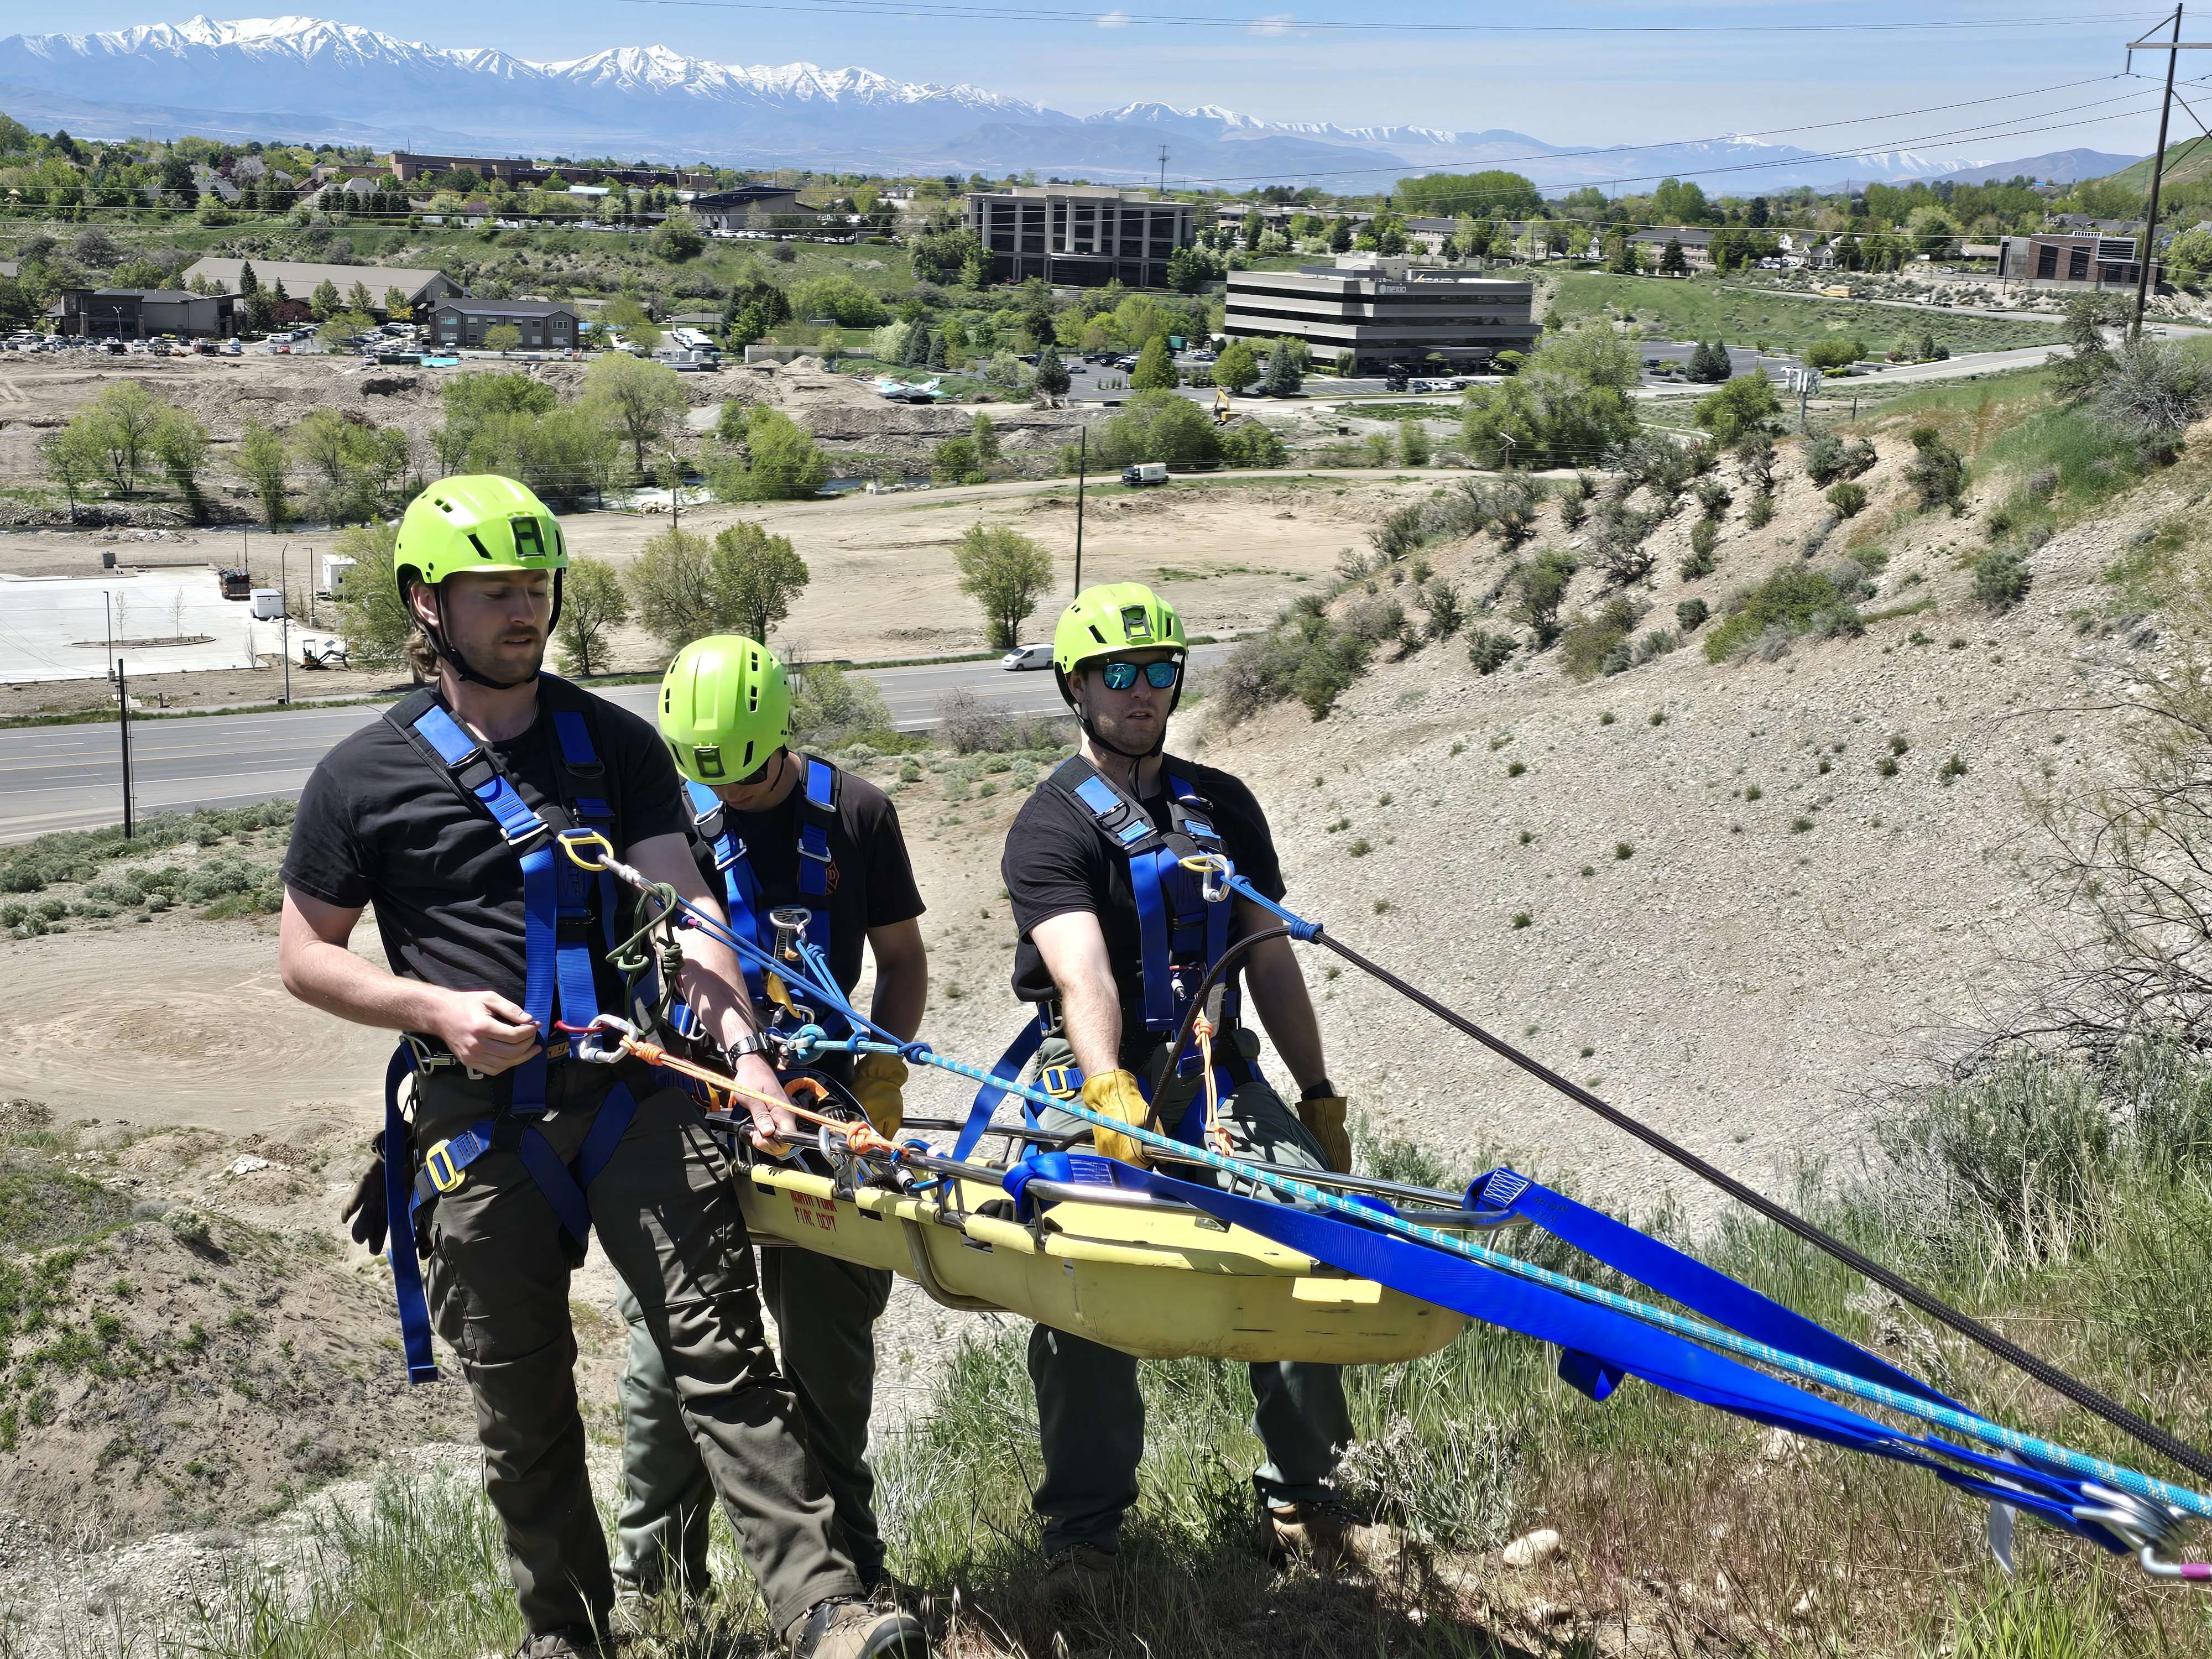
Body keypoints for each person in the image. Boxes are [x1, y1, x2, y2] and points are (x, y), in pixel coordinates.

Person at [278, 474, 926, 1659]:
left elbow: (689, 917)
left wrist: (745, 1056)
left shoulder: (613, 747)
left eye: (536, 587)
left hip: (637, 1095)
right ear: (426, 605)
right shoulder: (361, 779)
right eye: (494, 593)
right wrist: (431, 1008)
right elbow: (305, 958)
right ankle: (568, 1635)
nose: (524, 611)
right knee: (520, 1404)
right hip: (480, 1114)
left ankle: (824, 1608)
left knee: (721, 1357)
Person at [996, 581, 1362, 1600]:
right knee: (1084, 1290)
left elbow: (1269, 955)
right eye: (1118, 673)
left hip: (1221, 1075)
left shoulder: (1223, 808)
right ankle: (1084, 1536)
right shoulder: (1049, 826)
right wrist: (1110, 1089)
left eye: (1159, 670)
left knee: (1315, 1240)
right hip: (1098, 1075)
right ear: (1077, 686)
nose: (1142, 690)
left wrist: (1318, 1094)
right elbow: (1082, 974)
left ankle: (1308, 1498)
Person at [613, 635, 927, 1611]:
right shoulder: (672, 820)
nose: (728, 795)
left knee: (830, 1356)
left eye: (745, 774)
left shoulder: (857, 814)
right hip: (696, 1111)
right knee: (668, 1361)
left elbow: (903, 960)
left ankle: (852, 1570)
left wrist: (881, 1067)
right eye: (705, 776)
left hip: (827, 1115)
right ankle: (659, 1586)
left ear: (780, 734)